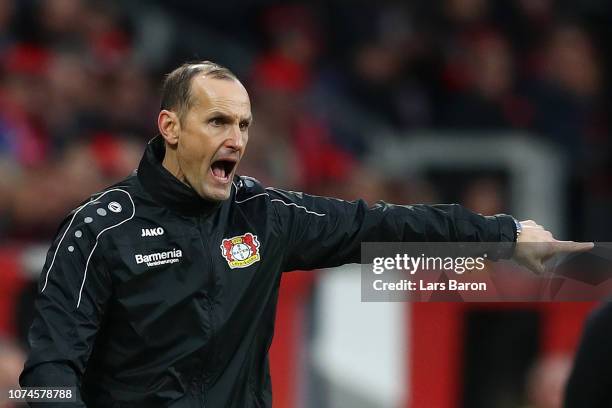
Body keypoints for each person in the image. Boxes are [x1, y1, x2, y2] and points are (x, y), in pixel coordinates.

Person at [19, 61, 592, 407]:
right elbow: (49, 370)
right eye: (218, 122)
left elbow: (384, 224)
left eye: (244, 124)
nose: (237, 139)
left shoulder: (266, 216)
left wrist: (502, 234)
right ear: (169, 126)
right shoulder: (98, 231)